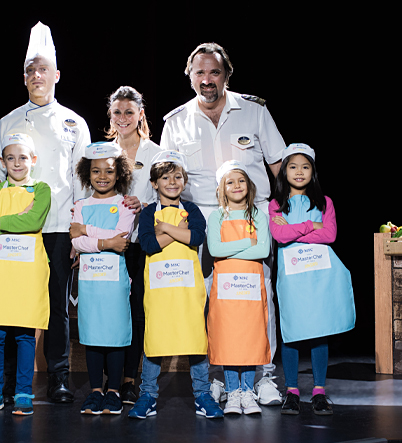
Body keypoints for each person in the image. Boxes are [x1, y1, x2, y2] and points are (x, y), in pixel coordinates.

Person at [159, 42, 286, 406]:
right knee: (208, 300)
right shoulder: (176, 122)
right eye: (199, 72)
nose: (207, 80)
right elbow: (167, 177)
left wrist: (286, 213)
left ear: (227, 75)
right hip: (201, 222)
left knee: (258, 297)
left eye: (214, 72)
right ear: (190, 77)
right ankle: (216, 376)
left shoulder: (254, 111)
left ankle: (263, 377)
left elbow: (279, 166)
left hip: (252, 218)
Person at [0, 22, 90, 403]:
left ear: (56, 75)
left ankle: (58, 377)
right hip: (14, 229)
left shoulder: (74, 123)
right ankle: (9, 381)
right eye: (31, 70)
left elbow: (82, 181)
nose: (37, 76)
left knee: (57, 306)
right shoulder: (8, 121)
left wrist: (79, 229)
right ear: (24, 77)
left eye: (43, 69)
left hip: (56, 226)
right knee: (11, 305)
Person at [127, 151, 224, 420]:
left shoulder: (192, 210)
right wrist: (177, 230)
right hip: (159, 290)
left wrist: (165, 230)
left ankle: (202, 394)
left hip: (187, 289)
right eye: (165, 177)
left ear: (185, 180)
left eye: (178, 177)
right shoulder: (149, 212)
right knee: (155, 340)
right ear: (154, 183)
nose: (172, 182)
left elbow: (196, 236)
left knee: (195, 339)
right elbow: (148, 244)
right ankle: (148, 395)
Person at [269, 143, 355, 416]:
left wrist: (295, 230)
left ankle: (319, 391)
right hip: (293, 278)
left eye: (305, 167)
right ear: (284, 171)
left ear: (313, 171)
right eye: (293, 166)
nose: (299, 172)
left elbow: (329, 235)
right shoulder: (276, 204)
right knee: (292, 332)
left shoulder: (325, 202)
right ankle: (292, 392)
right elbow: (280, 236)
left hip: (319, 277)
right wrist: (310, 225)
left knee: (319, 331)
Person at [0, 133, 51, 416]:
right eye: (10, 158)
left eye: (22, 157)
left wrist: (1, 221)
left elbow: (34, 221)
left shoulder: (42, 189)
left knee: (24, 333)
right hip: (0, 269)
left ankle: (23, 393)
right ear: (3, 162)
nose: (17, 163)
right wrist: (17, 220)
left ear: (33, 160)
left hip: (27, 270)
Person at [104, 86, 163, 404]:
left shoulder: (155, 153)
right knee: (111, 311)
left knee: (137, 312)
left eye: (129, 112)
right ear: (110, 115)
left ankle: (129, 379)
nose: (123, 118)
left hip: (141, 244)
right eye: (117, 112)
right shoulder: (101, 152)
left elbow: (168, 195)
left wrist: (145, 204)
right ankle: (108, 381)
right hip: (108, 245)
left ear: (140, 114)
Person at [69, 142, 137, 415]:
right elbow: (76, 242)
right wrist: (105, 242)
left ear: (119, 173)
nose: (102, 176)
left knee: (115, 335)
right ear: (87, 173)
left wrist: (86, 230)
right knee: (93, 335)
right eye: (96, 171)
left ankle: (114, 392)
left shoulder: (125, 205)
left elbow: (122, 238)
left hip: (115, 283)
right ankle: (96, 391)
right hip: (90, 282)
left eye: (109, 171)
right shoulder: (80, 205)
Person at [205, 160, 271, 415]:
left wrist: (232, 251)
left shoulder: (258, 215)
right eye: (230, 182)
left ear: (249, 185)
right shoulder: (216, 217)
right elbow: (215, 249)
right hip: (226, 291)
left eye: (241, 180)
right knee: (229, 339)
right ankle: (232, 393)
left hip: (250, 289)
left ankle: (247, 392)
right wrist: (247, 242)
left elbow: (263, 251)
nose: (236, 185)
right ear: (221, 188)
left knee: (251, 338)